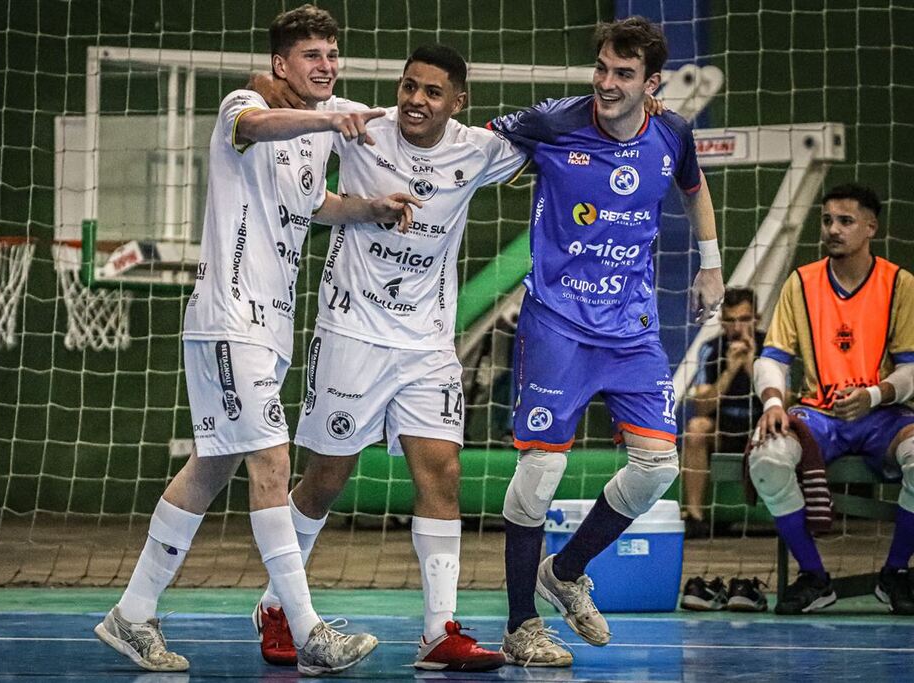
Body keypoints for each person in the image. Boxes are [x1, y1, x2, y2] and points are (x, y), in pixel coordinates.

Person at [93, 5, 421, 675]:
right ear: (281, 64)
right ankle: (306, 628)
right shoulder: (243, 106)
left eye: (332, 54)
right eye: (312, 56)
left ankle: (131, 613)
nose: (327, 65)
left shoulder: (315, 136)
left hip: (269, 327)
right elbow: (256, 124)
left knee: (211, 466)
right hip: (228, 318)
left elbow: (312, 203)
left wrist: (368, 209)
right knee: (272, 465)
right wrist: (330, 117)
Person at [248, 44, 527, 672]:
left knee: (444, 477)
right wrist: (309, 108)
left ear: (458, 103)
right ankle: (277, 606)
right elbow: (263, 84)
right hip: (350, 333)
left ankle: (438, 633)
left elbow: (554, 135)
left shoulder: (478, 149)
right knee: (327, 478)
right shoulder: (360, 123)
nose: (415, 101)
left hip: (426, 344)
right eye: (408, 86)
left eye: (432, 92)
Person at [487, 15, 725, 660]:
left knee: (657, 467)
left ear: (652, 84)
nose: (607, 83)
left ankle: (563, 573)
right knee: (541, 471)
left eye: (624, 74)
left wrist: (710, 265)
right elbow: (474, 146)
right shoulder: (555, 122)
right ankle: (519, 625)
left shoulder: (672, 130)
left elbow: (693, 188)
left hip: (632, 329)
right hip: (558, 323)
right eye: (602, 69)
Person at [750, 183, 914, 615]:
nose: (833, 230)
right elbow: (772, 358)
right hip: (818, 414)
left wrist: (875, 394)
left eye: (845, 221)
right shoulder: (801, 282)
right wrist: (771, 404)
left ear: (870, 227)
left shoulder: (899, 284)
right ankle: (814, 577)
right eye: (827, 221)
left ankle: (894, 573)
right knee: (765, 458)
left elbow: (911, 368)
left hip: (883, 413)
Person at [682, 287, 765, 536]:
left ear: (756, 319)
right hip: (724, 427)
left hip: (761, 427)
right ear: (722, 321)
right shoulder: (711, 349)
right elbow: (701, 406)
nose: (737, 327)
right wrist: (729, 370)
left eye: (744, 319)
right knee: (696, 428)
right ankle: (694, 518)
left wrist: (751, 366)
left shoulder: (772, 345)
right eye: (730, 320)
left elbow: (783, 404)